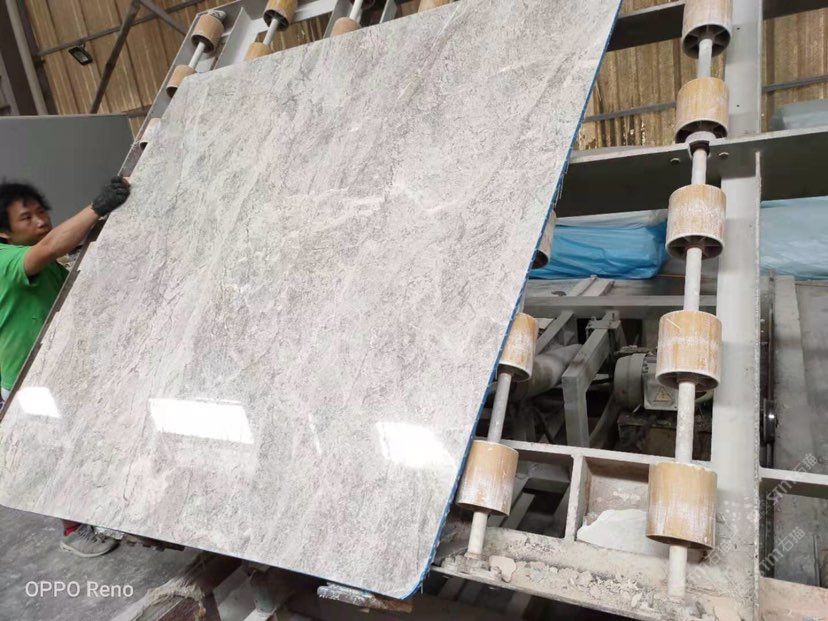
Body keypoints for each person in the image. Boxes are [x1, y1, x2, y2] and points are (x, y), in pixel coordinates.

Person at [0, 177, 130, 558]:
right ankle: (73, 529)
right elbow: (50, 246)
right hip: (26, 381)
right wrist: (97, 207)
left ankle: (104, 509)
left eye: (41, 212)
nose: (41, 221)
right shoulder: (6, 260)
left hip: (57, 370)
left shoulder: (40, 259)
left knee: (82, 439)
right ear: (4, 233)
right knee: (56, 449)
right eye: (27, 218)